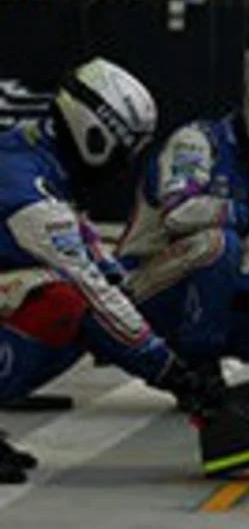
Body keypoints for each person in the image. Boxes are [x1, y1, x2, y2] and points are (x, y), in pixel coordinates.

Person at [0, 59, 227, 482]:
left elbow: (87, 245)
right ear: (95, 134)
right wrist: (175, 375)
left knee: (94, 297)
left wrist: (120, 282)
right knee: (62, 303)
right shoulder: (28, 193)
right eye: (123, 153)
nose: (122, 167)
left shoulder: (32, 149)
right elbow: (94, 291)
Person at [117, 57, 249, 382]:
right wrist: (245, 215)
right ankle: (199, 369)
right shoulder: (197, 143)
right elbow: (177, 214)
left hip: (210, 297)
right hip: (144, 289)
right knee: (219, 245)